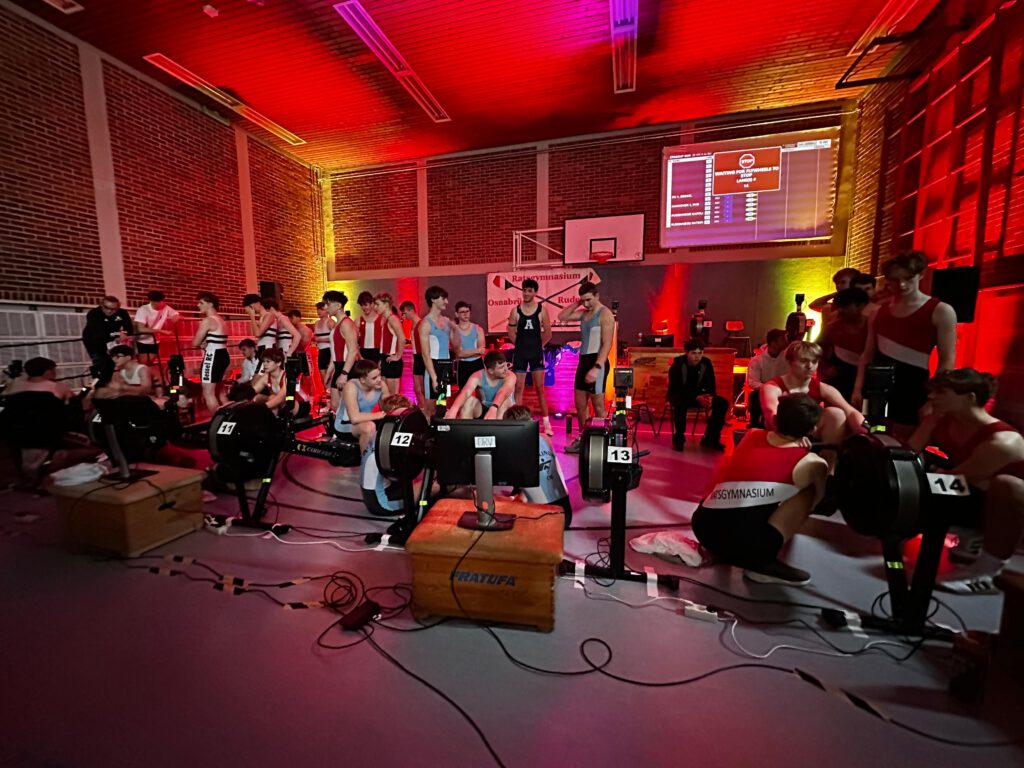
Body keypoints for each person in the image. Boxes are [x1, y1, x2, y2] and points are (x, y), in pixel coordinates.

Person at [691, 394, 829, 586]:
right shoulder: (813, 463)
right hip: (746, 546)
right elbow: (819, 503)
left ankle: (730, 547)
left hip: (703, 529)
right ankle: (762, 563)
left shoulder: (752, 435)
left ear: (776, 419)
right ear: (812, 429)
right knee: (808, 492)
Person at [909, 369, 1024, 595]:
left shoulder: (1003, 441)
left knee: (1006, 484)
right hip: (974, 492)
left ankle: (987, 573)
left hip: (1010, 509)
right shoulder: (941, 420)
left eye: (941, 392)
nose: (931, 397)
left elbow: (949, 483)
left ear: (969, 398)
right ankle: (972, 535)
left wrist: (925, 475)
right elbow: (908, 455)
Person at [853, 251, 957, 426]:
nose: (902, 284)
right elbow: (867, 354)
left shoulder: (941, 311)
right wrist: (857, 389)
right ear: (888, 280)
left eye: (908, 278)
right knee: (874, 432)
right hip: (877, 383)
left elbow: (947, 360)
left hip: (913, 385)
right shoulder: (878, 312)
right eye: (895, 279)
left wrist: (934, 399)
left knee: (908, 435)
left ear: (921, 275)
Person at [760, 341, 866, 470]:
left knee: (837, 414)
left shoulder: (822, 388)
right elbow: (771, 414)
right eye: (803, 361)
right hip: (780, 433)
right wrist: (793, 437)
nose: (810, 366)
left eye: (814, 361)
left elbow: (851, 412)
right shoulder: (772, 387)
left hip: (809, 431)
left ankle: (828, 470)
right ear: (789, 361)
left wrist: (868, 434)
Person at [558, 282, 613, 454]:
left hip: (597, 361)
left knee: (598, 405)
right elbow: (562, 316)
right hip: (583, 361)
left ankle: (604, 443)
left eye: (589, 300)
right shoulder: (584, 313)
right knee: (580, 404)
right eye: (584, 301)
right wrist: (578, 303)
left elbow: (607, 344)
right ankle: (584, 439)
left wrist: (597, 367)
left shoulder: (605, 314)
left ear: (597, 295)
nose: (586, 304)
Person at [503, 405, 572, 528]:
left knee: (498, 507)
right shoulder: (545, 438)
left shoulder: (514, 449)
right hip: (566, 513)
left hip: (545, 518)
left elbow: (524, 496)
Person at [508, 278, 553, 436]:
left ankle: (547, 423)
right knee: (518, 387)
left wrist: (537, 346)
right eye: (524, 290)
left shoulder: (542, 310)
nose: (526, 293)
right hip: (520, 353)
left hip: (536, 353)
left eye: (529, 291)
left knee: (539, 388)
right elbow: (511, 333)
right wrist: (521, 345)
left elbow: (548, 333)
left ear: (535, 293)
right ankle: (517, 422)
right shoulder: (515, 311)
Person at [667, 338, 729, 451]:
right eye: (694, 353)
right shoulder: (678, 364)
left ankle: (710, 438)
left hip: (702, 396)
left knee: (722, 403)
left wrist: (709, 397)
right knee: (680, 403)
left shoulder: (706, 363)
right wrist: (696, 397)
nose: (697, 356)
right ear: (687, 353)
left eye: (700, 353)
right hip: (681, 395)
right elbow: (676, 388)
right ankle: (679, 437)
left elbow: (711, 384)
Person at [360, 394, 415, 517]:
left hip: (370, 498)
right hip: (382, 503)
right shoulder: (392, 440)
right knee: (432, 487)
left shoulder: (379, 433)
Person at [818, 287, 869, 402]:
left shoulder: (871, 325)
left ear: (861, 306)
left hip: (867, 379)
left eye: (845, 306)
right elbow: (818, 348)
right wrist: (825, 370)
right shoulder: (832, 327)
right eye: (839, 306)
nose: (840, 310)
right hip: (838, 378)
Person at [417, 285, 459, 415]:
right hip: (433, 367)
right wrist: (434, 377)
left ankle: (440, 425)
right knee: (430, 407)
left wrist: (456, 330)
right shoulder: (425, 324)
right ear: (433, 299)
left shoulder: (446, 321)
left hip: (445, 366)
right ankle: (428, 426)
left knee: (442, 403)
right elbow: (425, 354)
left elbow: (455, 345)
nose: (446, 302)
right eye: (443, 298)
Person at [335, 359, 390, 453]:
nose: (379, 379)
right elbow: (354, 418)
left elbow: (388, 409)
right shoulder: (351, 387)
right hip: (344, 425)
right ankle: (365, 458)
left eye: (379, 375)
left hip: (365, 420)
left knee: (389, 424)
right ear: (362, 380)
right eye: (374, 378)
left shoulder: (381, 385)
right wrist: (379, 415)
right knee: (369, 427)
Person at [444, 351, 516, 420]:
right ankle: (467, 428)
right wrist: (454, 409)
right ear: (491, 371)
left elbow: (503, 392)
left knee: (504, 402)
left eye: (506, 365)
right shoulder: (477, 376)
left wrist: (494, 408)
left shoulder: (510, 376)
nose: (506, 369)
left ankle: (497, 428)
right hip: (483, 408)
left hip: (503, 409)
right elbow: (465, 392)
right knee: (468, 401)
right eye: (502, 367)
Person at [82, 296, 134, 386]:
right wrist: (117, 334)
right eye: (106, 308)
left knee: (114, 363)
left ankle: (105, 383)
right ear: (101, 305)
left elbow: (129, 329)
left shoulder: (122, 313)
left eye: (113, 309)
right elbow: (99, 333)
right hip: (94, 341)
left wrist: (123, 333)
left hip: (112, 342)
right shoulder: (94, 313)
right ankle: (98, 386)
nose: (109, 311)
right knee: (103, 363)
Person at [191, 292, 229, 415]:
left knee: (208, 393)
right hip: (223, 355)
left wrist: (202, 342)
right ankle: (230, 420)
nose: (198, 305)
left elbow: (195, 343)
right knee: (220, 393)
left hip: (212, 357)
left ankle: (218, 423)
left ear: (210, 304)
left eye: (201, 303)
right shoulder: (221, 320)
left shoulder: (208, 321)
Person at [133, 290, 180, 390]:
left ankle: (158, 386)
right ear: (151, 301)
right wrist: (160, 331)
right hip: (142, 340)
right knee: (143, 365)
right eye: (157, 302)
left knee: (150, 363)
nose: (160, 304)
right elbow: (141, 328)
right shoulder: (143, 309)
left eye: (161, 301)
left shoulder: (165, 307)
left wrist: (175, 317)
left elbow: (175, 314)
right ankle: (143, 386)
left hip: (155, 341)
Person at [322, 290, 360, 412]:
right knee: (335, 405)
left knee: (347, 408)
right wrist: (329, 372)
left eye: (328, 304)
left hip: (346, 367)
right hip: (339, 366)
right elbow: (335, 351)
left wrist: (344, 374)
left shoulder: (346, 324)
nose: (325, 308)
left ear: (338, 306)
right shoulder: (337, 324)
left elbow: (353, 350)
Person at [746, 329, 790, 428]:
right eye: (782, 339)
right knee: (754, 396)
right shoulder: (757, 360)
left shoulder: (787, 359)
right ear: (773, 343)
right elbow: (752, 382)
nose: (786, 342)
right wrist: (769, 388)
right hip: (764, 391)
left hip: (783, 391)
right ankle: (755, 426)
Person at [252, 347, 309, 419]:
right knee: (257, 398)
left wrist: (260, 409)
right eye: (263, 361)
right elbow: (252, 391)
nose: (264, 364)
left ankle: (271, 422)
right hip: (281, 404)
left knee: (272, 398)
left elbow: (281, 397)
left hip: (301, 405)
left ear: (278, 363)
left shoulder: (287, 376)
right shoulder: (266, 377)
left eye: (268, 362)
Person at [374, 293, 406, 395]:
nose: (375, 307)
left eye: (377, 304)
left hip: (392, 361)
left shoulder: (393, 319)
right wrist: (381, 358)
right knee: (384, 395)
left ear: (386, 304)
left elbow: (402, 338)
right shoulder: (386, 319)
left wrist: (398, 356)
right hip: (386, 358)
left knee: (392, 397)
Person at [4, 357, 72, 402]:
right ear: (48, 372)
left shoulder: (14, 387)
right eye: (53, 369)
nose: (55, 373)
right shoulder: (59, 388)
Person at [454, 301, 487, 391]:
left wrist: (465, 353)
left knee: (481, 393)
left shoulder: (478, 329)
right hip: (463, 365)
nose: (466, 314)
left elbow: (482, 351)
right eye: (462, 312)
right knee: (464, 393)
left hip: (477, 364)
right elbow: (459, 353)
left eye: (467, 311)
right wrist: (476, 351)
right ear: (457, 314)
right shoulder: (454, 331)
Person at [400, 300, 426, 408]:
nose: (404, 316)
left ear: (410, 310)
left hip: (422, 357)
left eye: (405, 313)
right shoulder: (413, 324)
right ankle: (422, 408)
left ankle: (426, 410)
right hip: (416, 356)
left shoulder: (421, 324)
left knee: (422, 389)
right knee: (417, 389)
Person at [313, 301, 336, 394]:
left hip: (330, 350)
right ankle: (327, 393)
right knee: (322, 373)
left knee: (330, 373)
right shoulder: (316, 323)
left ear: (327, 310)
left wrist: (320, 339)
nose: (319, 311)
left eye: (321, 309)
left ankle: (332, 394)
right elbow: (314, 337)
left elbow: (336, 338)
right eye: (318, 309)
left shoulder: (330, 322)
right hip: (321, 350)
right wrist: (317, 339)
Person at [357, 291, 384, 363]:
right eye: (361, 305)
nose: (363, 308)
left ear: (372, 304)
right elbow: (353, 341)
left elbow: (385, 340)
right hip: (363, 352)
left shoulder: (382, 319)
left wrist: (382, 357)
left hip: (378, 351)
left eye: (365, 305)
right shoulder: (358, 320)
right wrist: (359, 356)